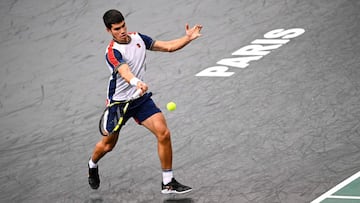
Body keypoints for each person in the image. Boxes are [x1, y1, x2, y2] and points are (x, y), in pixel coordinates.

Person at [88, 9, 202, 194]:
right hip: (119, 104)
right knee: (108, 145)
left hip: (140, 100)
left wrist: (187, 38)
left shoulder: (138, 39)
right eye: (117, 29)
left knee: (163, 133)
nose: (122, 30)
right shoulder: (112, 53)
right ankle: (92, 164)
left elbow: (167, 47)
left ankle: (168, 182)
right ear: (109, 31)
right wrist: (136, 82)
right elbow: (125, 72)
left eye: (123, 25)